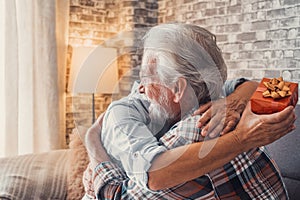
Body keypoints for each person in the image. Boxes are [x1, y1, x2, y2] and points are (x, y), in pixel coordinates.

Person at [82, 23, 295, 199]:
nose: (139, 87)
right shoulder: (125, 113)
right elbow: (279, 87)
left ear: (178, 89)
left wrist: (236, 103)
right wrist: (92, 140)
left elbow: (150, 177)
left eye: (147, 77)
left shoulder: (203, 121)